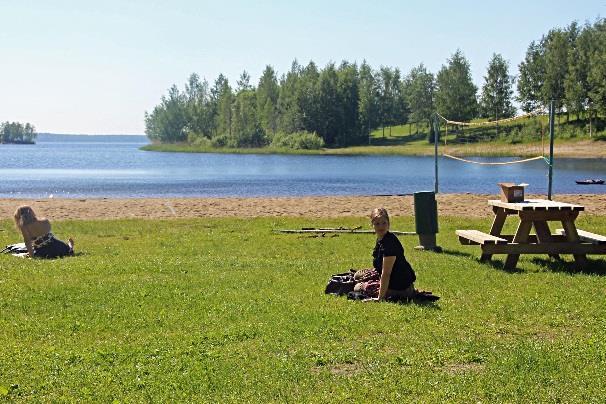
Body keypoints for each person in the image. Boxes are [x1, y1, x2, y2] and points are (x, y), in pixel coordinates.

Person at [366, 207, 416, 301]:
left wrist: (380, 298)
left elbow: (386, 273)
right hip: (393, 283)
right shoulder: (381, 238)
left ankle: (385, 293)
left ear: (389, 224)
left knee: (358, 287)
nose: (381, 226)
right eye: (377, 224)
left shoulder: (389, 244)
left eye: (384, 223)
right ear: (372, 225)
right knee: (359, 276)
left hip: (401, 288)